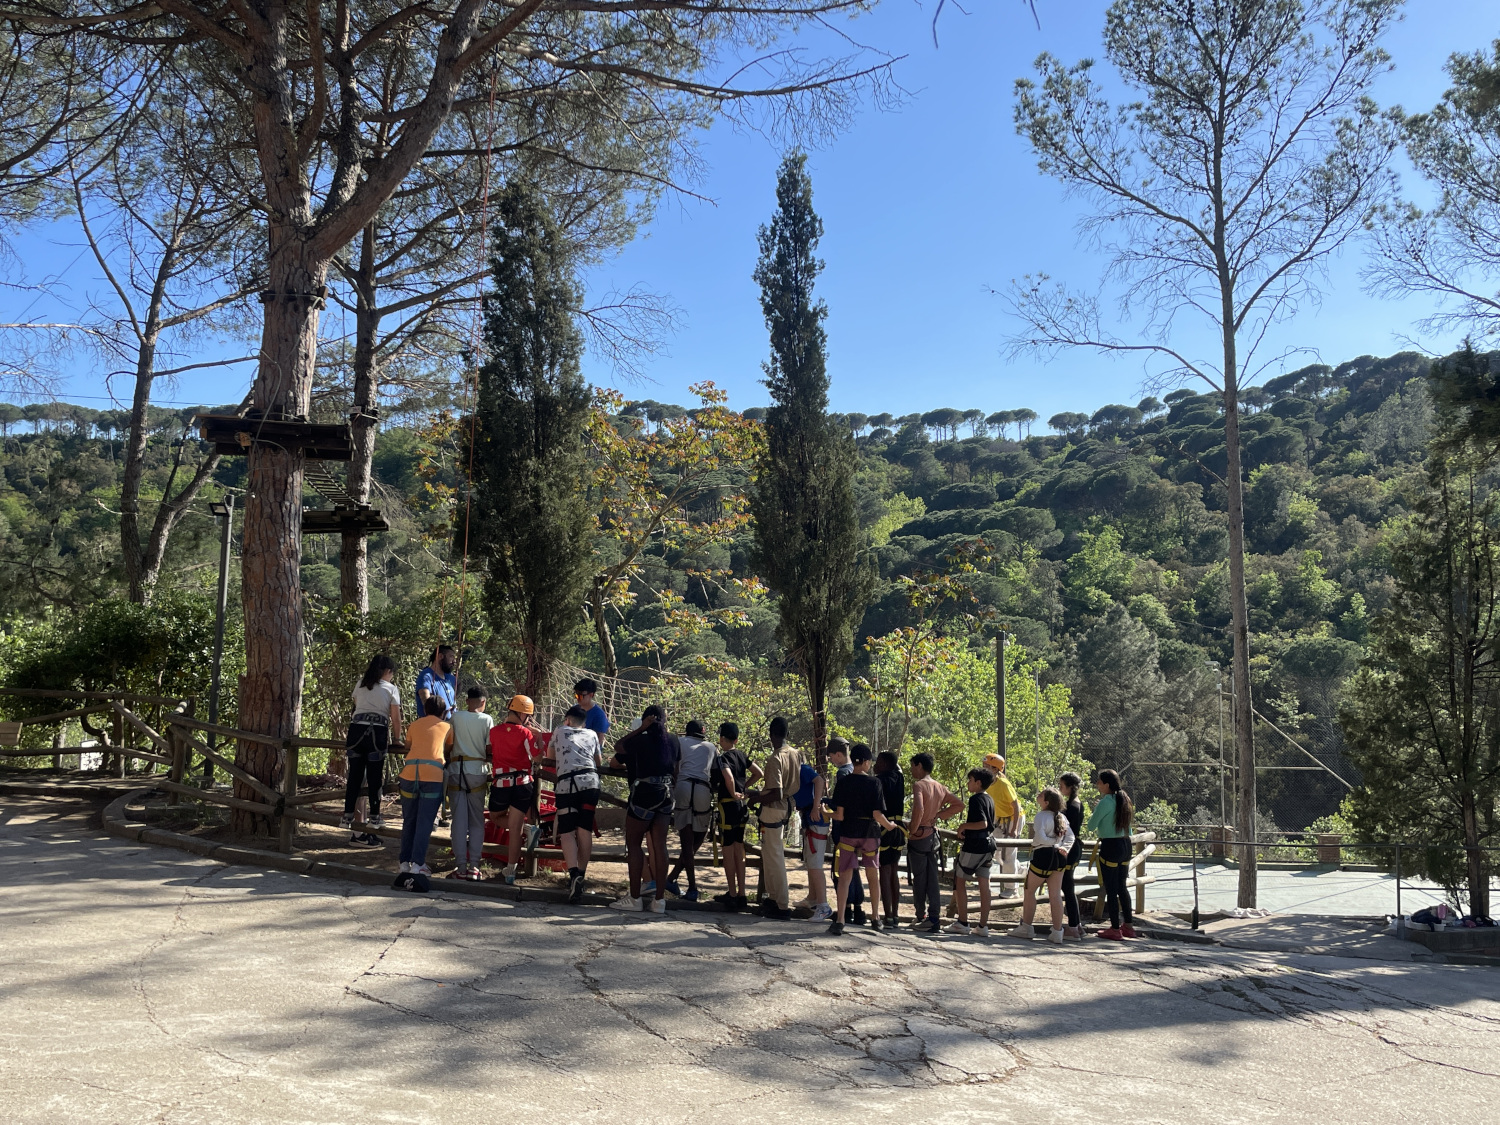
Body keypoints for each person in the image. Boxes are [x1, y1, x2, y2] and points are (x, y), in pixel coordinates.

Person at [610, 704, 680, 915]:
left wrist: (641, 729)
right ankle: (659, 901)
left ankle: (635, 898)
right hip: (666, 795)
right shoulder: (673, 740)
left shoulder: (640, 740)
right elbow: (676, 770)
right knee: (660, 846)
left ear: (645, 720)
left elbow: (618, 746)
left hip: (643, 795)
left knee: (634, 844)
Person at [825, 744, 898, 936]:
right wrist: (889, 825)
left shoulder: (843, 782)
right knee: (872, 876)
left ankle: (840, 920)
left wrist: (825, 813)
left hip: (848, 833)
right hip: (869, 834)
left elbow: (839, 815)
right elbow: (877, 814)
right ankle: (875, 917)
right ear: (865, 762)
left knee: (844, 878)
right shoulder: (875, 783)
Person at [341, 653, 403, 845]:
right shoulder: (391, 689)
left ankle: (347, 815)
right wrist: (397, 739)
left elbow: (357, 705)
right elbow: (395, 718)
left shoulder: (361, 683)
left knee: (355, 776)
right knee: (375, 777)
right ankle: (375, 816)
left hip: (356, 731)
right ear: (387, 671)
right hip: (377, 732)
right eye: (392, 673)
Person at [749, 716, 801, 919]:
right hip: (787, 806)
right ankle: (773, 898)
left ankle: (781, 904)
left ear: (771, 735)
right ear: (787, 733)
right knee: (771, 854)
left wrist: (756, 799)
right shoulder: (796, 754)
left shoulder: (775, 758)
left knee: (774, 857)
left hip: (774, 808)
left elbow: (776, 793)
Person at [551, 704, 603, 904]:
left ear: (568, 720)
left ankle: (573, 874)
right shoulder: (592, 734)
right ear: (584, 723)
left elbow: (550, 757)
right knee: (584, 829)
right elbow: (598, 761)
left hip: (567, 785)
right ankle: (582, 872)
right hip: (590, 783)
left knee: (567, 831)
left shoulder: (559, 731)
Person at [906, 752, 963, 934]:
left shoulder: (919, 785)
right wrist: (939, 815)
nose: (912, 770)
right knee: (933, 879)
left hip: (920, 836)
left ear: (919, 766)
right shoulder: (940, 787)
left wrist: (913, 829)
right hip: (933, 836)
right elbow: (959, 805)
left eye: (913, 766)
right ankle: (934, 917)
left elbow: (919, 808)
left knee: (919, 879)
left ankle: (921, 916)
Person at [487, 694, 540, 885]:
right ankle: (511, 871)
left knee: (495, 817)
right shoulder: (526, 733)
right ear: (522, 714)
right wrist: (539, 738)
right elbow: (537, 758)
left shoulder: (494, 731)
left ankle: (527, 829)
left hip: (502, 783)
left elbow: (489, 750)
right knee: (516, 827)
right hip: (523, 783)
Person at [1013, 787, 1076, 944]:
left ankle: (1026, 927)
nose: (1038, 795)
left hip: (1043, 856)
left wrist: (1052, 842)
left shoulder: (1041, 816)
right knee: (1055, 894)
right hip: (1059, 857)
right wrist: (1063, 847)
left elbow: (1040, 838)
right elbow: (1071, 836)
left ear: (1046, 802)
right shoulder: (1061, 816)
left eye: (1041, 795)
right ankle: (1057, 932)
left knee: (1029, 890)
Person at [397, 697, 452, 876]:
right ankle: (418, 863)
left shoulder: (414, 725)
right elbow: (449, 748)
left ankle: (404, 862)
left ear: (425, 709)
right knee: (425, 822)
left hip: (409, 774)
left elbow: (408, 745)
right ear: (443, 712)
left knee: (409, 820)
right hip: (433, 776)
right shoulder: (447, 727)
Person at [666, 719, 717, 901]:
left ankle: (685, 884)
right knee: (699, 837)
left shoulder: (680, 742)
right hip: (703, 788)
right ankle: (682, 883)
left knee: (686, 841)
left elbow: (674, 767)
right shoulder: (711, 747)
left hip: (683, 785)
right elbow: (715, 773)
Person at [711, 722, 760, 911]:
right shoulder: (742, 755)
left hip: (728, 807)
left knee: (728, 850)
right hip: (741, 808)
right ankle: (742, 894)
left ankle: (732, 893)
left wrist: (733, 792)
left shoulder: (722, 758)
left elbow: (728, 777)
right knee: (740, 849)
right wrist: (744, 788)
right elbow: (759, 773)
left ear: (722, 739)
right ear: (737, 740)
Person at [446, 686, 493, 879]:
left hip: (456, 770)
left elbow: (448, 743)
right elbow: (489, 748)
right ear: (483, 702)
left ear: (467, 701)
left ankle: (460, 867)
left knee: (458, 820)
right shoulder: (487, 719)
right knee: (476, 820)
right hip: (477, 771)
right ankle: (474, 866)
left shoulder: (455, 717)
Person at [1087, 768, 1137, 940]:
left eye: (1099, 782)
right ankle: (1128, 926)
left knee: (1111, 888)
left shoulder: (1105, 802)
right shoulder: (1125, 799)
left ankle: (1115, 928)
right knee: (1122, 887)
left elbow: (1091, 826)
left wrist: (1097, 809)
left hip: (1111, 846)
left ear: (1107, 784)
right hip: (1126, 844)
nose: (1097, 784)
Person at [947, 767, 998, 937]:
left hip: (974, 846)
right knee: (985, 885)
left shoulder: (976, 799)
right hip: (989, 846)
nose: (968, 783)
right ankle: (983, 925)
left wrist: (963, 826)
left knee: (960, 881)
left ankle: (962, 922)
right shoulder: (990, 799)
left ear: (978, 783)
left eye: (970, 780)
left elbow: (982, 823)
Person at [417, 645, 458, 827]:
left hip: (449, 730)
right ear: (440, 656)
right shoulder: (426, 675)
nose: (454, 661)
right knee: (431, 772)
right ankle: (429, 815)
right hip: (432, 730)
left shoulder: (451, 679)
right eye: (450, 656)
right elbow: (425, 699)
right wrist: (438, 713)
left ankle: (441, 812)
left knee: (445, 773)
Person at [825, 739, 864, 922]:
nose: (832, 761)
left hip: (843, 829)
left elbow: (840, 802)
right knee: (854, 869)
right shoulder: (858, 771)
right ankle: (858, 908)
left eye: (832, 757)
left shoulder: (842, 773)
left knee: (841, 870)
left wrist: (825, 802)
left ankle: (846, 909)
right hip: (857, 828)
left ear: (838, 755)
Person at [983, 753, 1024, 903]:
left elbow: (1016, 806)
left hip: (1013, 818)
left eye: (986, 766)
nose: (983, 768)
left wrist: (1014, 829)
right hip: (999, 819)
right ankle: (1020, 871)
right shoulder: (987, 782)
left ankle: (1012, 889)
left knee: (1008, 854)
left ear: (995, 769)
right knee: (996, 852)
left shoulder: (1003, 784)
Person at [874, 751, 906, 927]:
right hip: (899, 827)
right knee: (894, 870)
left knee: (884, 871)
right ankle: (896, 914)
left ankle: (888, 915)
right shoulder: (899, 778)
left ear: (885, 764)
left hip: (885, 826)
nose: (875, 765)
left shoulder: (879, 781)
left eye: (878, 762)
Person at [1057, 772, 1086, 938]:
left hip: (1069, 848)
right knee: (1068, 888)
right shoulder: (1076, 803)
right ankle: (1077, 924)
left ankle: (1073, 926)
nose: (1060, 788)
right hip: (1073, 847)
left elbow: (1067, 830)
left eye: (1062, 786)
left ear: (1069, 787)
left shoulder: (1071, 807)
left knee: (1067, 888)